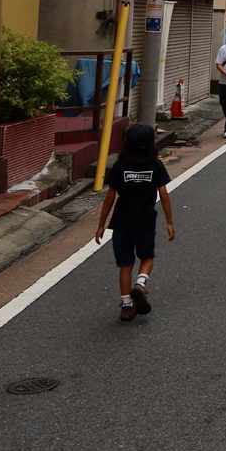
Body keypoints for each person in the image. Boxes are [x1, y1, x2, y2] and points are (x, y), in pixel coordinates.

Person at [94, 123, 175, 322]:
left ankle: (127, 307)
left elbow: (109, 198)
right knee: (147, 257)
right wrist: (170, 222)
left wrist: (101, 224)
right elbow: (163, 194)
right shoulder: (156, 165)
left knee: (125, 265)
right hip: (145, 222)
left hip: (121, 224)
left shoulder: (120, 166)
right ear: (151, 145)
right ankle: (140, 284)